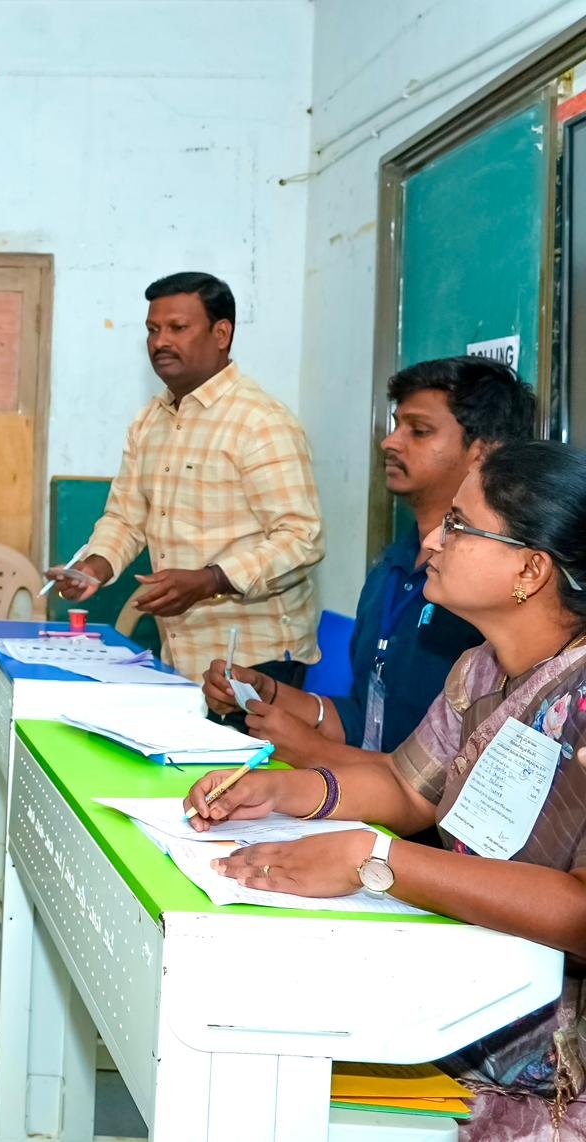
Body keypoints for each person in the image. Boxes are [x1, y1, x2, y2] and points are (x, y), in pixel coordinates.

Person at [186, 440, 586, 1139]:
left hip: (558, 1071)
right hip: (471, 1006)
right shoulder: (479, 670)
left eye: (460, 525)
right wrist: (283, 791)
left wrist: (379, 862)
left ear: (530, 568)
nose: (433, 538)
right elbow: (407, 785)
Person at [203, 356, 535, 765]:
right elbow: (369, 720)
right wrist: (269, 694)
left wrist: (317, 755)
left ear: (482, 454)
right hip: (366, 798)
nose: (390, 442)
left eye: (419, 430)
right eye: (396, 425)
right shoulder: (392, 567)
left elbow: (454, 778)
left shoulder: (493, 590)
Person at [50, 271, 324, 689]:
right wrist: (95, 567)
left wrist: (210, 580)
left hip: (257, 663)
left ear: (221, 333)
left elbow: (301, 538)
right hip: (182, 656)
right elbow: (125, 517)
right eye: (152, 330)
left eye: (177, 328)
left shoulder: (261, 422)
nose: (160, 342)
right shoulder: (149, 422)